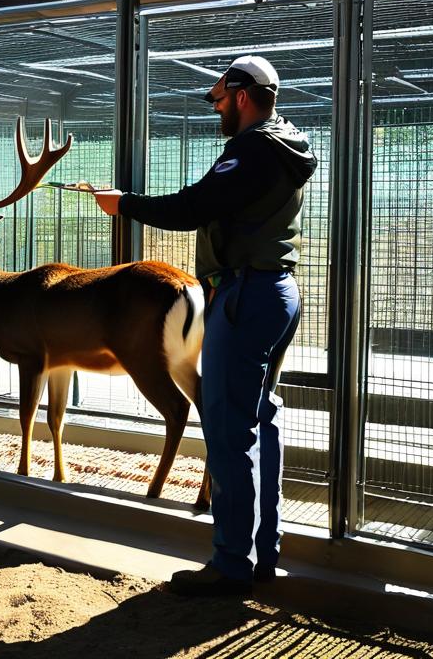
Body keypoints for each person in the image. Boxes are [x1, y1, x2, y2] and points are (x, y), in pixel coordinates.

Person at [95, 56, 317, 596]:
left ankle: (231, 566)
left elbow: (194, 206)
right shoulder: (288, 141)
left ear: (242, 96)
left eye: (219, 99)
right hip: (274, 291)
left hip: (246, 297)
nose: (216, 108)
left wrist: (124, 203)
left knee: (226, 431)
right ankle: (265, 553)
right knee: (260, 419)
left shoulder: (252, 148)